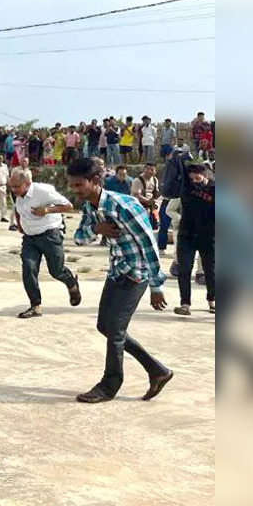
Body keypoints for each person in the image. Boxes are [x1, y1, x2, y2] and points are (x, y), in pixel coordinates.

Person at [66, 157, 174, 403]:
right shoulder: (89, 209)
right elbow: (79, 239)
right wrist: (96, 230)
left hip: (137, 274)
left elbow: (149, 246)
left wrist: (157, 286)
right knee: (106, 327)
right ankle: (158, 371)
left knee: (114, 330)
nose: (75, 190)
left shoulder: (124, 205)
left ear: (95, 181)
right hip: (117, 270)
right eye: (72, 185)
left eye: (78, 185)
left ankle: (109, 384)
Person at [10, 167, 82, 318]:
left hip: (50, 235)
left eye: (17, 186)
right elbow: (17, 210)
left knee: (56, 270)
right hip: (30, 238)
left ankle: (71, 283)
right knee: (28, 268)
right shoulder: (16, 193)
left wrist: (47, 210)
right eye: (12, 185)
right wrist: (20, 225)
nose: (13, 189)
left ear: (27, 184)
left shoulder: (43, 191)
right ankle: (35, 306)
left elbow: (68, 206)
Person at [171, 162, 215, 316]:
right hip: (187, 235)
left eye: (198, 179)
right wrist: (176, 159)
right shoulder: (186, 187)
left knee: (212, 270)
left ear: (206, 176)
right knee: (184, 270)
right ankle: (185, 304)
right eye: (192, 179)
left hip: (209, 236)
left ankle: (213, 300)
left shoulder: (216, 189)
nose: (195, 182)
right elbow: (177, 177)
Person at [131, 162, 162, 229]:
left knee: (155, 226)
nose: (149, 171)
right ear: (144, 169)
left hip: (152, 207)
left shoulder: (155, 180)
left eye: (152, 169)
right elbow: (136, 195)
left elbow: (156, 193)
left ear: (155, 171)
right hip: (140, 207)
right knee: (141, 227)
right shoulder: (137, 180)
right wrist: (147, 201)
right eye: (147, 169)